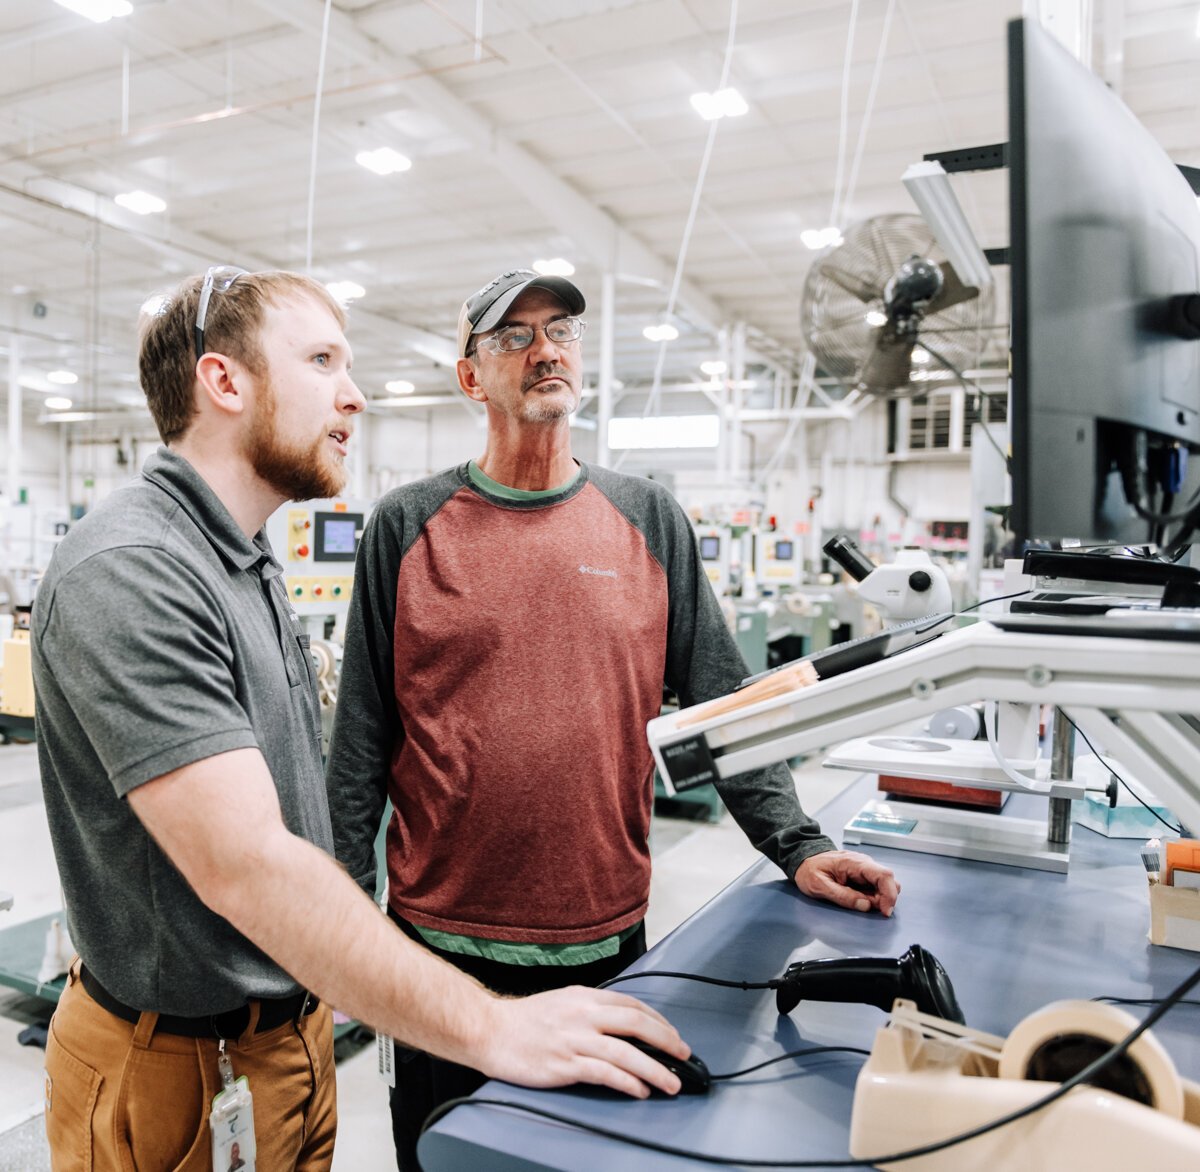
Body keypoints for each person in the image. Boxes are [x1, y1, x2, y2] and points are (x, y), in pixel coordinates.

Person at [32, 267, 690, 1172]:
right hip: (178, 1067)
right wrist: (489, 1025)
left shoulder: (245, 565)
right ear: (225, 382)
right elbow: (249, 865)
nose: (357, 394)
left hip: (285, 1040)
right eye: (322, 361)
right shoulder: (134, 568)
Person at [325, 267, 902, 1169]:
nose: (546, 350)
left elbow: (724, 708)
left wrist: (799, 844)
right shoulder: (408, 525)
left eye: (561, 330)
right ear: (471, 377)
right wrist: (341, 926)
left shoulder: (647, 518)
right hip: (440, 948)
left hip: (606, 939)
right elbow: (359, 742)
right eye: (513, 336)